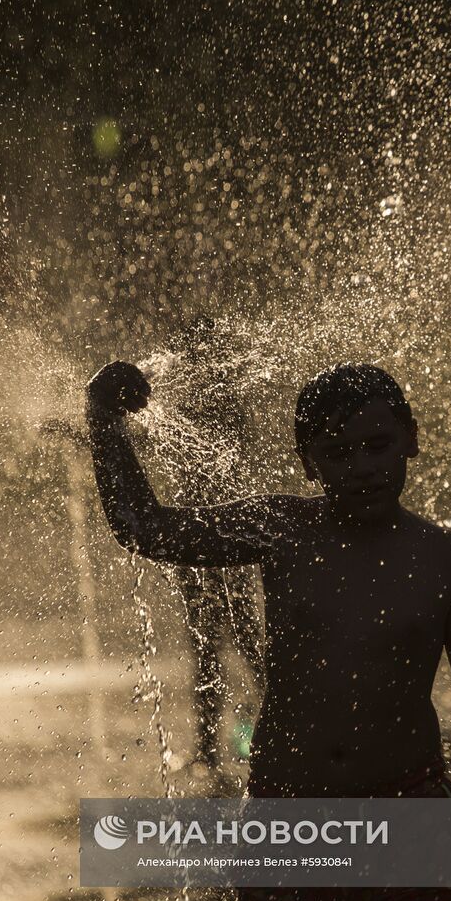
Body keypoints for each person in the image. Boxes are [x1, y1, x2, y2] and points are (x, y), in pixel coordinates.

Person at [86, 359, 451, 901]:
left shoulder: (444, 560)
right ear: (308, 464)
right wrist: (103, 424)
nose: (363, 468)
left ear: (412, 438)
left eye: (378, 445)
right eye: (338, 453)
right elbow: (146, 530)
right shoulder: (285, 530)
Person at [165, 315, 265, 776]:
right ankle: (210, 747)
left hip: (221, 540)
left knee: (229, 644)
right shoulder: (211, 400)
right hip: (207, 542)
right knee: (219, 646)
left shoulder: (213, 403)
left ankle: (221, 745)